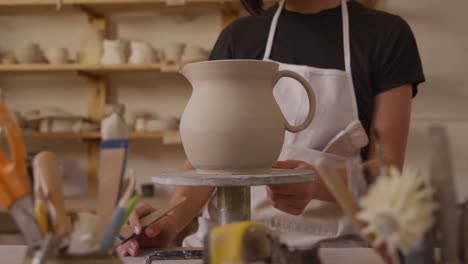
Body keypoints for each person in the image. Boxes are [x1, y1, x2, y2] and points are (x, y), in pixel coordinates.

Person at [119, 0, 424, 256]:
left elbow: (387, 174)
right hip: (229, 248)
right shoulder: (239, 37)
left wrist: (317, 183)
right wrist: (168, 222)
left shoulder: (385, 35)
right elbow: (208, 162)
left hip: (327, 251)